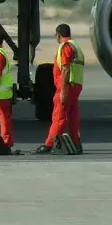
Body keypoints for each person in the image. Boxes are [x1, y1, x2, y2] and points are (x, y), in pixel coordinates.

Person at [34, 23, 84, 154]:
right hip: (76, 85)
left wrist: (62, 90)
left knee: (59, 115)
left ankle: (49, 144)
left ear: (59, 35)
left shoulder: (65, 47)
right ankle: (76, 143)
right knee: (73, 115)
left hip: (67, 86)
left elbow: (66, 69)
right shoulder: (76, 46)